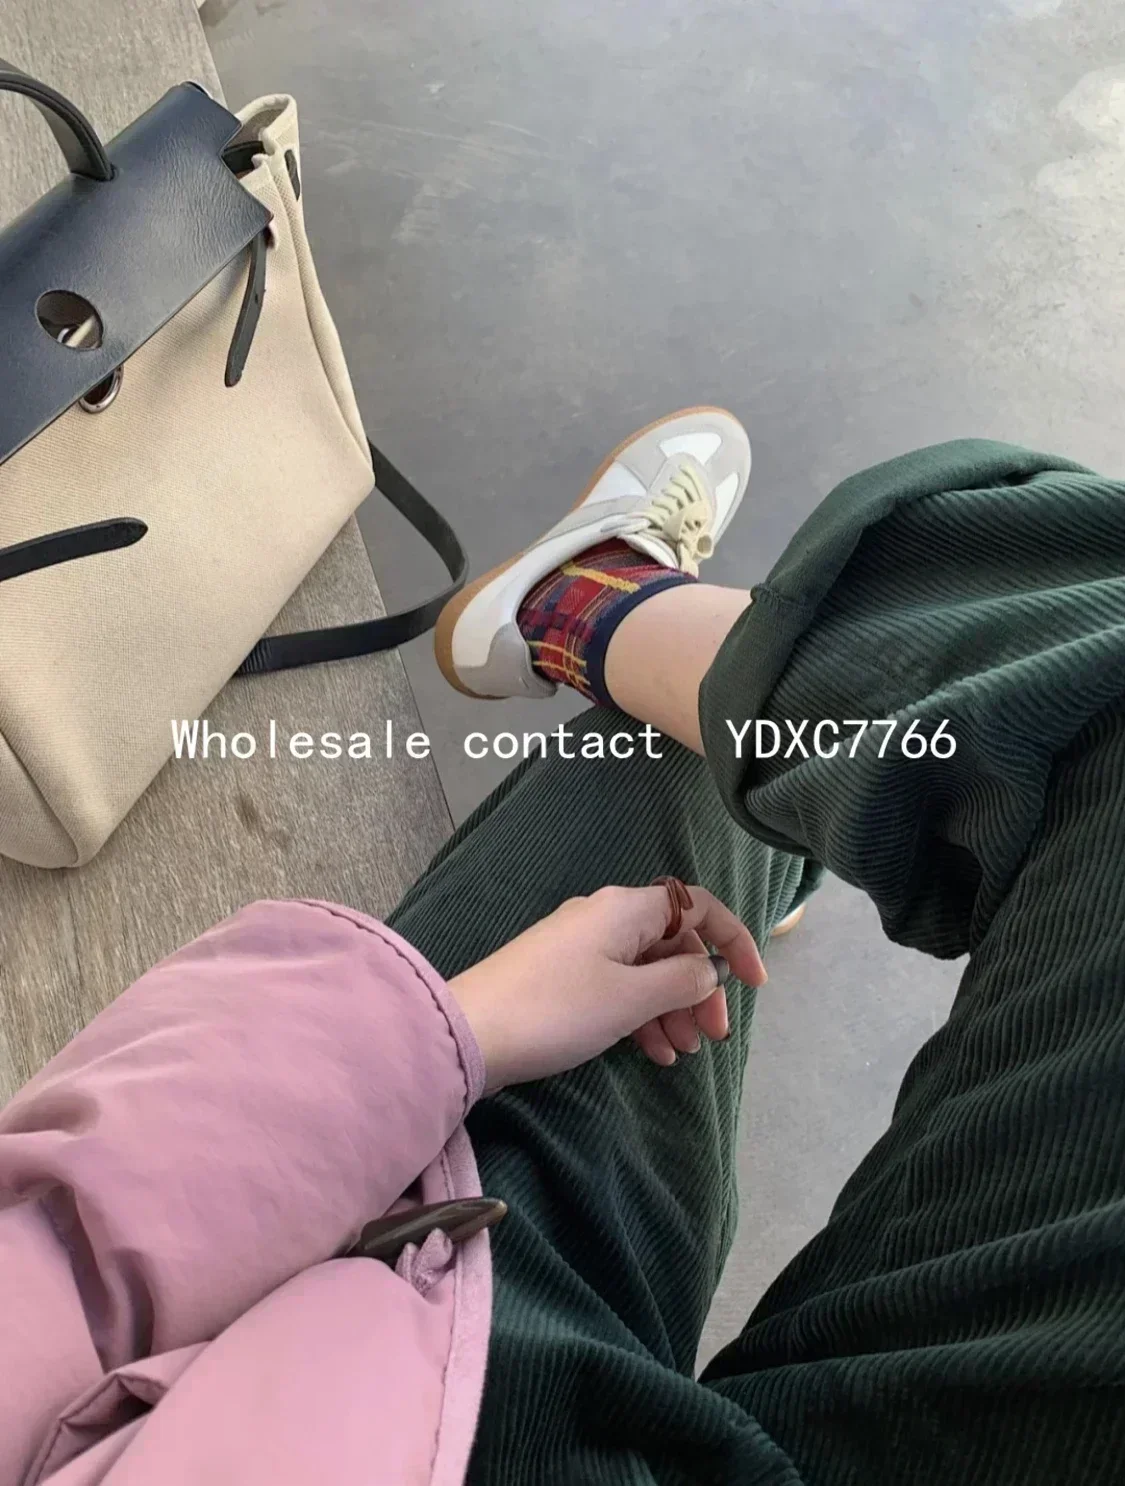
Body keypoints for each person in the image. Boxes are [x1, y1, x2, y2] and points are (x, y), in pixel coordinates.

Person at [2, 407, 1124, 1484]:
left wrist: (466, 1027)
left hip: (431, 1396)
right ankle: (609, 623)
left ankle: (615, 625)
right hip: (433, 1404)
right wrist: (448, 1031)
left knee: (693, 810)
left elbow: (53, 1284)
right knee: (699, 790)